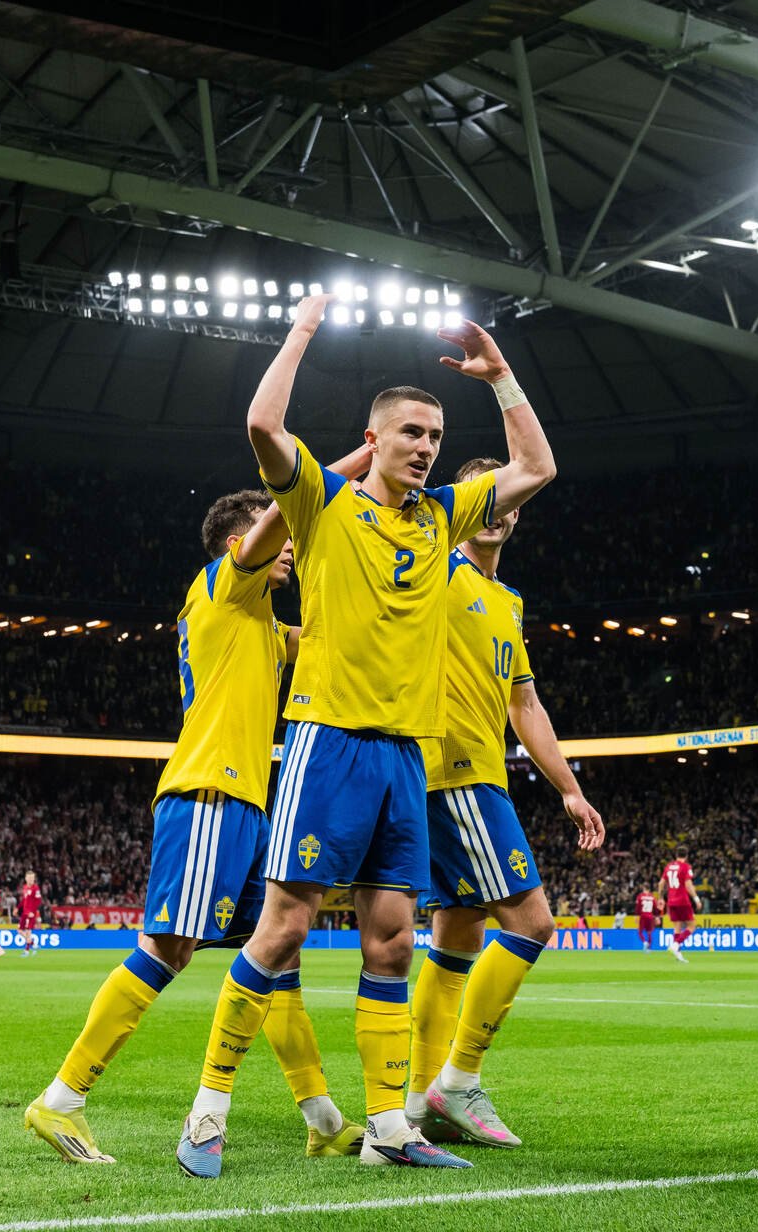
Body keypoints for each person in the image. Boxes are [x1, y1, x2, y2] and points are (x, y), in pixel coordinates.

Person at [176, 295, 556, 1176]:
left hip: (406, 754)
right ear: (374, 438)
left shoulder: (444, 516)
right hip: (328, 742)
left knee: (391, 938)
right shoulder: (321, 504)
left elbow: (537, 464)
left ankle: (390, 1130)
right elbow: (262, 421)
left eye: (433, 433)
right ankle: (207, 1110)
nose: (424, 446)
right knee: (282, 930)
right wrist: (304, 330)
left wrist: (499, 377)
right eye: (410, 432)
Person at [26, 458, 368, 1167]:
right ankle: (61, 1100)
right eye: (281, 541)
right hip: (209, 792)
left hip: (245, 802)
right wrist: (349, 467)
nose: (291, 553)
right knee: (169, 950)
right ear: (241, 543)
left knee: (277, 958)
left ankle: (325, 1119)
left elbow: (340, 636)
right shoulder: (221, 588)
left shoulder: (266, 627)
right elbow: (282, 515)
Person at [406, 457, 605, 1149]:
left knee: (456, 936)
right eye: (485, 497)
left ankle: (418, 1097)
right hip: (453, 770)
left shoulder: (508, 600)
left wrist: (570, 788)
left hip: (480, 770)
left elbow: (525, 702)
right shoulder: (436, 568)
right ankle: (457, 1083)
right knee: (532, 921)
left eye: (509, 498)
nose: (499, 509)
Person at [662, 847, 700, 962]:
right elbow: (688, 885)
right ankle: (676, 944)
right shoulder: (685, 867)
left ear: (676, 855)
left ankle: (678, 955)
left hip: (671, 900)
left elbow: (661, 883)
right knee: (692, 926)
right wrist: (696, 899)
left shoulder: (668, 867)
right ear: (686, 856)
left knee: (677, 928)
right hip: (682, 900)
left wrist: (660, 898)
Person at [17, 871, 44, 957]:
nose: (31, 880)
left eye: (33, 878)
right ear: (26, 878)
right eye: (29, 878)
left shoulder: (35, 888)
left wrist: (33, 911)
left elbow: (39, 901)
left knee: (28, 932)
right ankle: (34, 944)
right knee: (19, 930)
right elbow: (24, 900)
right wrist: (17, 908)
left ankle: (27, 951)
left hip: (31, 914)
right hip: (25, 913)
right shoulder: (25, 887)